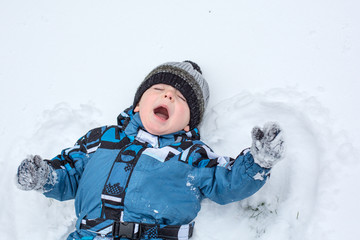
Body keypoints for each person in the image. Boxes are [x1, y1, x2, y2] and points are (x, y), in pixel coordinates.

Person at [16, 61, 285, 240]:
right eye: (158, 89)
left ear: (189, 123)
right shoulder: (102, 140)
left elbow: (226, 183)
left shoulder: (193, 155)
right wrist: (46, 177)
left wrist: (256, 164)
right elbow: (70, 174)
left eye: (180, 98)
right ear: (137, 106)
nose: (167, 96)